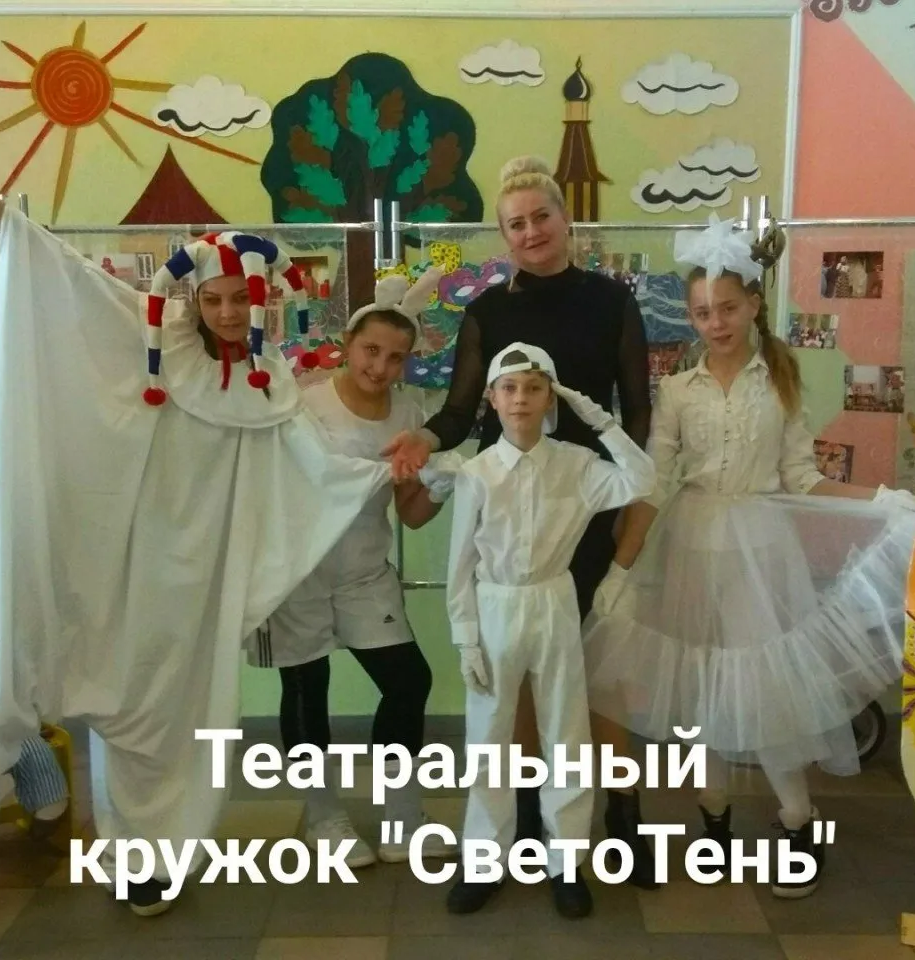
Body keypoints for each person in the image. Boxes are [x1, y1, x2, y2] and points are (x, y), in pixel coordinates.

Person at [0, 183, 393, 916]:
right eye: (214, 299)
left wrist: (375, 473)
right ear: (194, 300)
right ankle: (128, 852)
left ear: (261, 298)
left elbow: (309, 461)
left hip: (209, 576)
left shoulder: (269, 381)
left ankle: (167, 854)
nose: (229, 312)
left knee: (189, 713)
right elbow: (74, 280)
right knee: (130, 697)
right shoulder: (155, 342)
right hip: (139, 560)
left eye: (241, 298)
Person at [584, 213, 915, 899]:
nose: (716, 322)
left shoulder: (779, 382)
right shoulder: (677, 390)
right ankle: (713, 816)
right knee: (703, 684)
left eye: (728, 308)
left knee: (764, 687)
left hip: (760, 548)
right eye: (702, 312)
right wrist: (621, 570)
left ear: (753, 305)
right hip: (690, 545)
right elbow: (656, 483)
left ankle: (797, 816)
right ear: (691, 317)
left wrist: (882, 501)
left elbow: (802, 476)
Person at [381, 156, 657, 880]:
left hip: (586, 495)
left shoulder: (612, 301)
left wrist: (628, 503)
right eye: (516, 224)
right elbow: (459, 410)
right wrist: (425, 441)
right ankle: (526, 824)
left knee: (597, 669)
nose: (531, 232)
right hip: (508, 500)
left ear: (565, 219)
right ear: (503, 235)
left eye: (541, 216)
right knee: (521, 682)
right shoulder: (489, 312)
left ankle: (619, 817)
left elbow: (637, 408)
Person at [248, 268, 459, 867]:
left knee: (408, 681)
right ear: (348, 343)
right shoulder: (302, 404)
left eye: (395, 358)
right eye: (371, 350)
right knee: (306, 687)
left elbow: (410, 514)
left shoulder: (409, 415)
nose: (380, 367)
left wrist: (438, 486)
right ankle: (323, 816)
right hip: (299, 570)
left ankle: (401, 816)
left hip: (365, 572)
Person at [442, 341, 655, 918]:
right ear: (491, 398)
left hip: (554, 601)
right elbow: (460, 564)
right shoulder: (477, 474)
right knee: (489, 739)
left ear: (551, 398)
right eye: (509, 388)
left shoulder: (578, 465)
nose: (521, 399)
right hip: (495, 604)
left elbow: (642, 480)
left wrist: (598, 418)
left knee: (567, 735)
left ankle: (566, 862)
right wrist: (465, 638)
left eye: (535, 388)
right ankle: (484, 861)